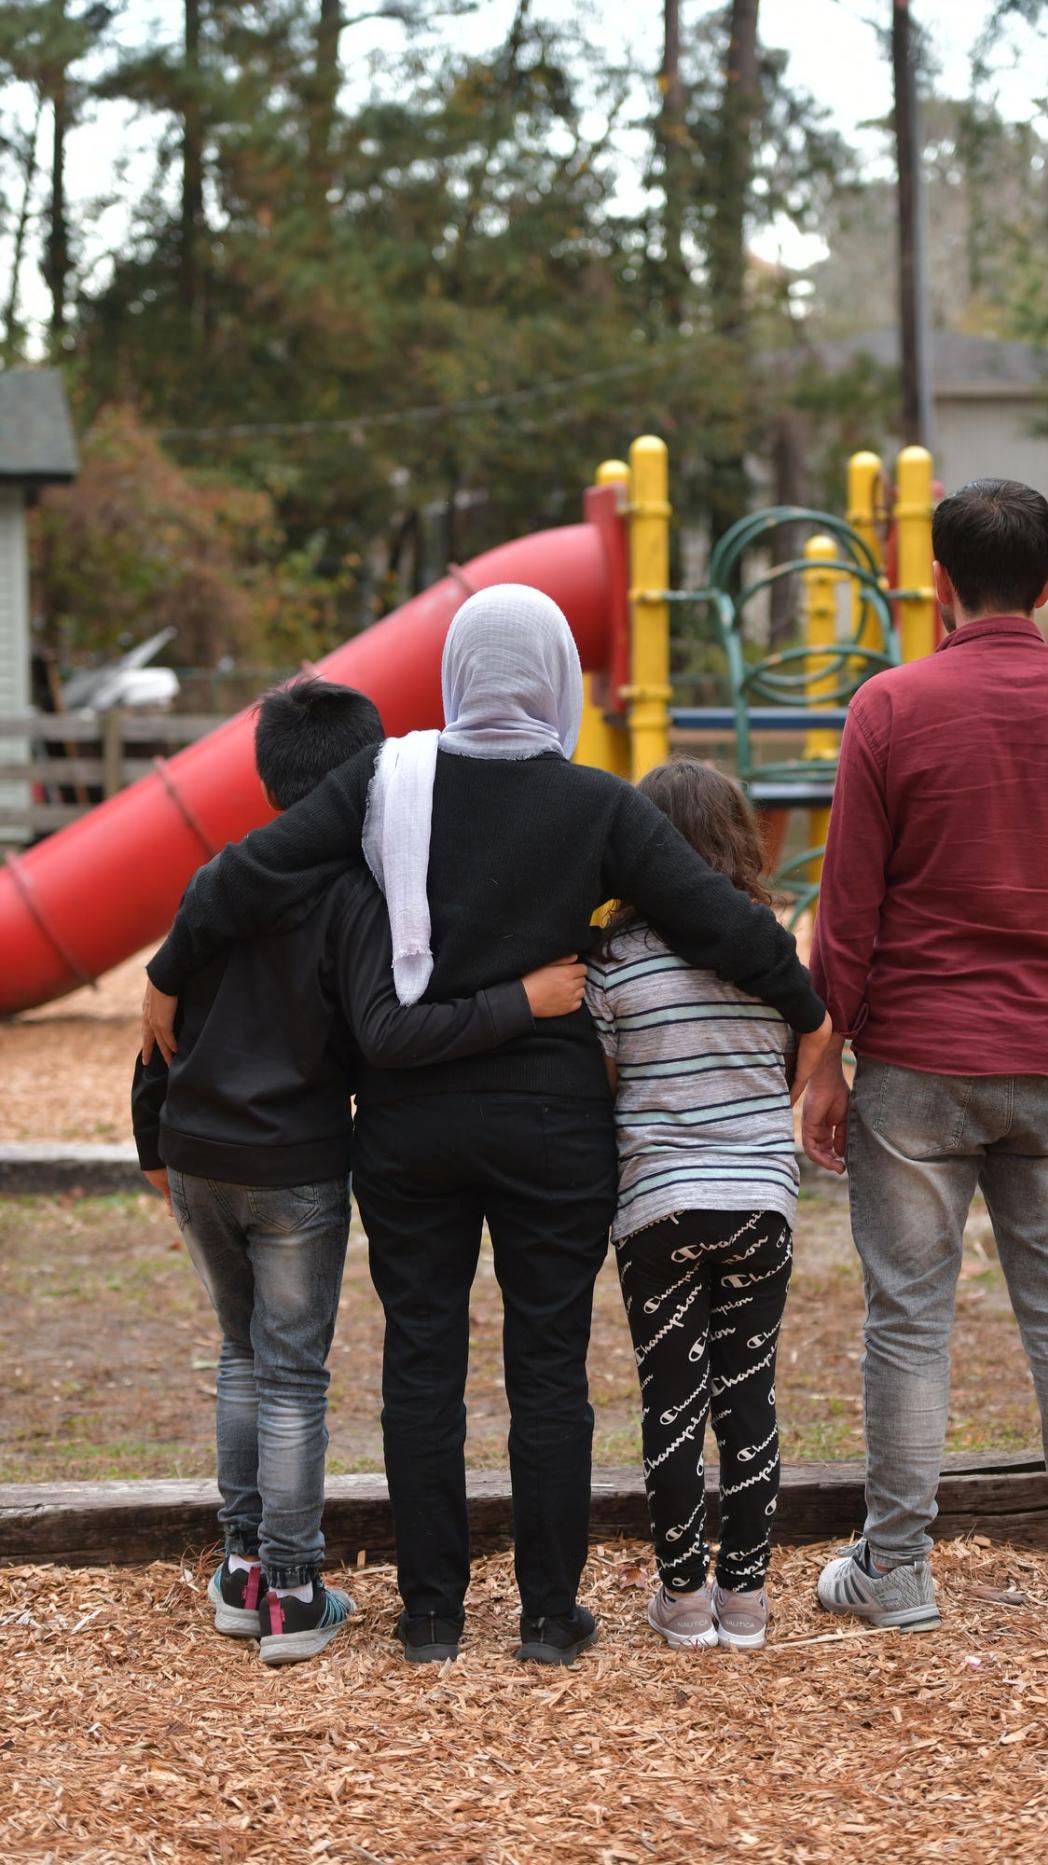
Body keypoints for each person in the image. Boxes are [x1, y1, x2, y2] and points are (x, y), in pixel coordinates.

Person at [139, 586, 829, 1668]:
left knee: (422, 1362)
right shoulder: (600, 805)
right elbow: (715, 915)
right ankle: (550, 1616)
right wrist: (805, 1000)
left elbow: (250, 868)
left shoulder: (385, 780)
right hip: (555, 1128)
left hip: (412, 1122)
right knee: (548, 1365)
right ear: (555, 678)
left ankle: (430, 1617)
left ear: (457, 673)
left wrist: (167, 972)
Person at [802, 478, 1048, 1632]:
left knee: (908, 1317)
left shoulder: (888, 707)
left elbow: (849, 917)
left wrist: (824, 1061)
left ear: (937, 584)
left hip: (916, 1065)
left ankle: (897, 1569)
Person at [133, 676, 587, 1666]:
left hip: (198, 1150)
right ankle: (293, 1589)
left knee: (241, 1355)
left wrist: (150, 1142)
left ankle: (243, 1567)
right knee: (291, 1369)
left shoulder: (219, 878)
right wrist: (522, 1000)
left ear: (264, 775)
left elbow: (158, 1024)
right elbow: (385, 1032)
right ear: (369, 777)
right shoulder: (356, 892)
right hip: (291, 1158)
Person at [587, 759, 798, 1654]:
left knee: (672, 1400)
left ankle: (682, 1597)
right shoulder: (770, 952)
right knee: (748, 1397)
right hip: (761, 1202)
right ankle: (744, 1599)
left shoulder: (613, 965)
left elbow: (604, 1086)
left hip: (659, 1209)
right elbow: (789, 1066)